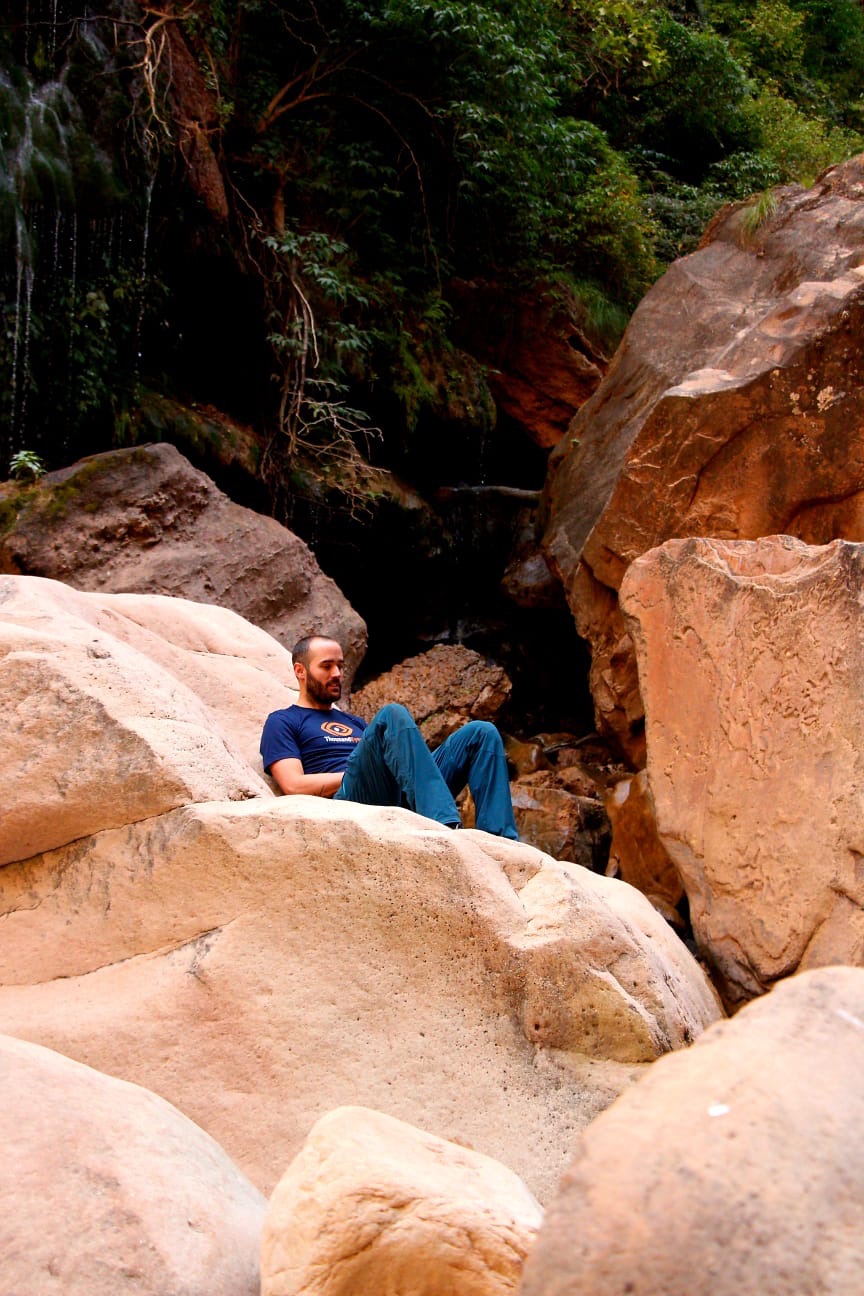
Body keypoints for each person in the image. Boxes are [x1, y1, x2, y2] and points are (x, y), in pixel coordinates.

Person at [260, 634, 519, 839]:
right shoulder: (283, 721)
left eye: (340, 666)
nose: (337, 674)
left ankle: (500, 839)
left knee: (481, 732)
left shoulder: (354, 722)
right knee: (392, 714)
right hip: (349, 801)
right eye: (326, 666)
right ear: (300, 671)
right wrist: (351, 775)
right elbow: (293, 786)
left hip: (393, 795)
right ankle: (445, 827)